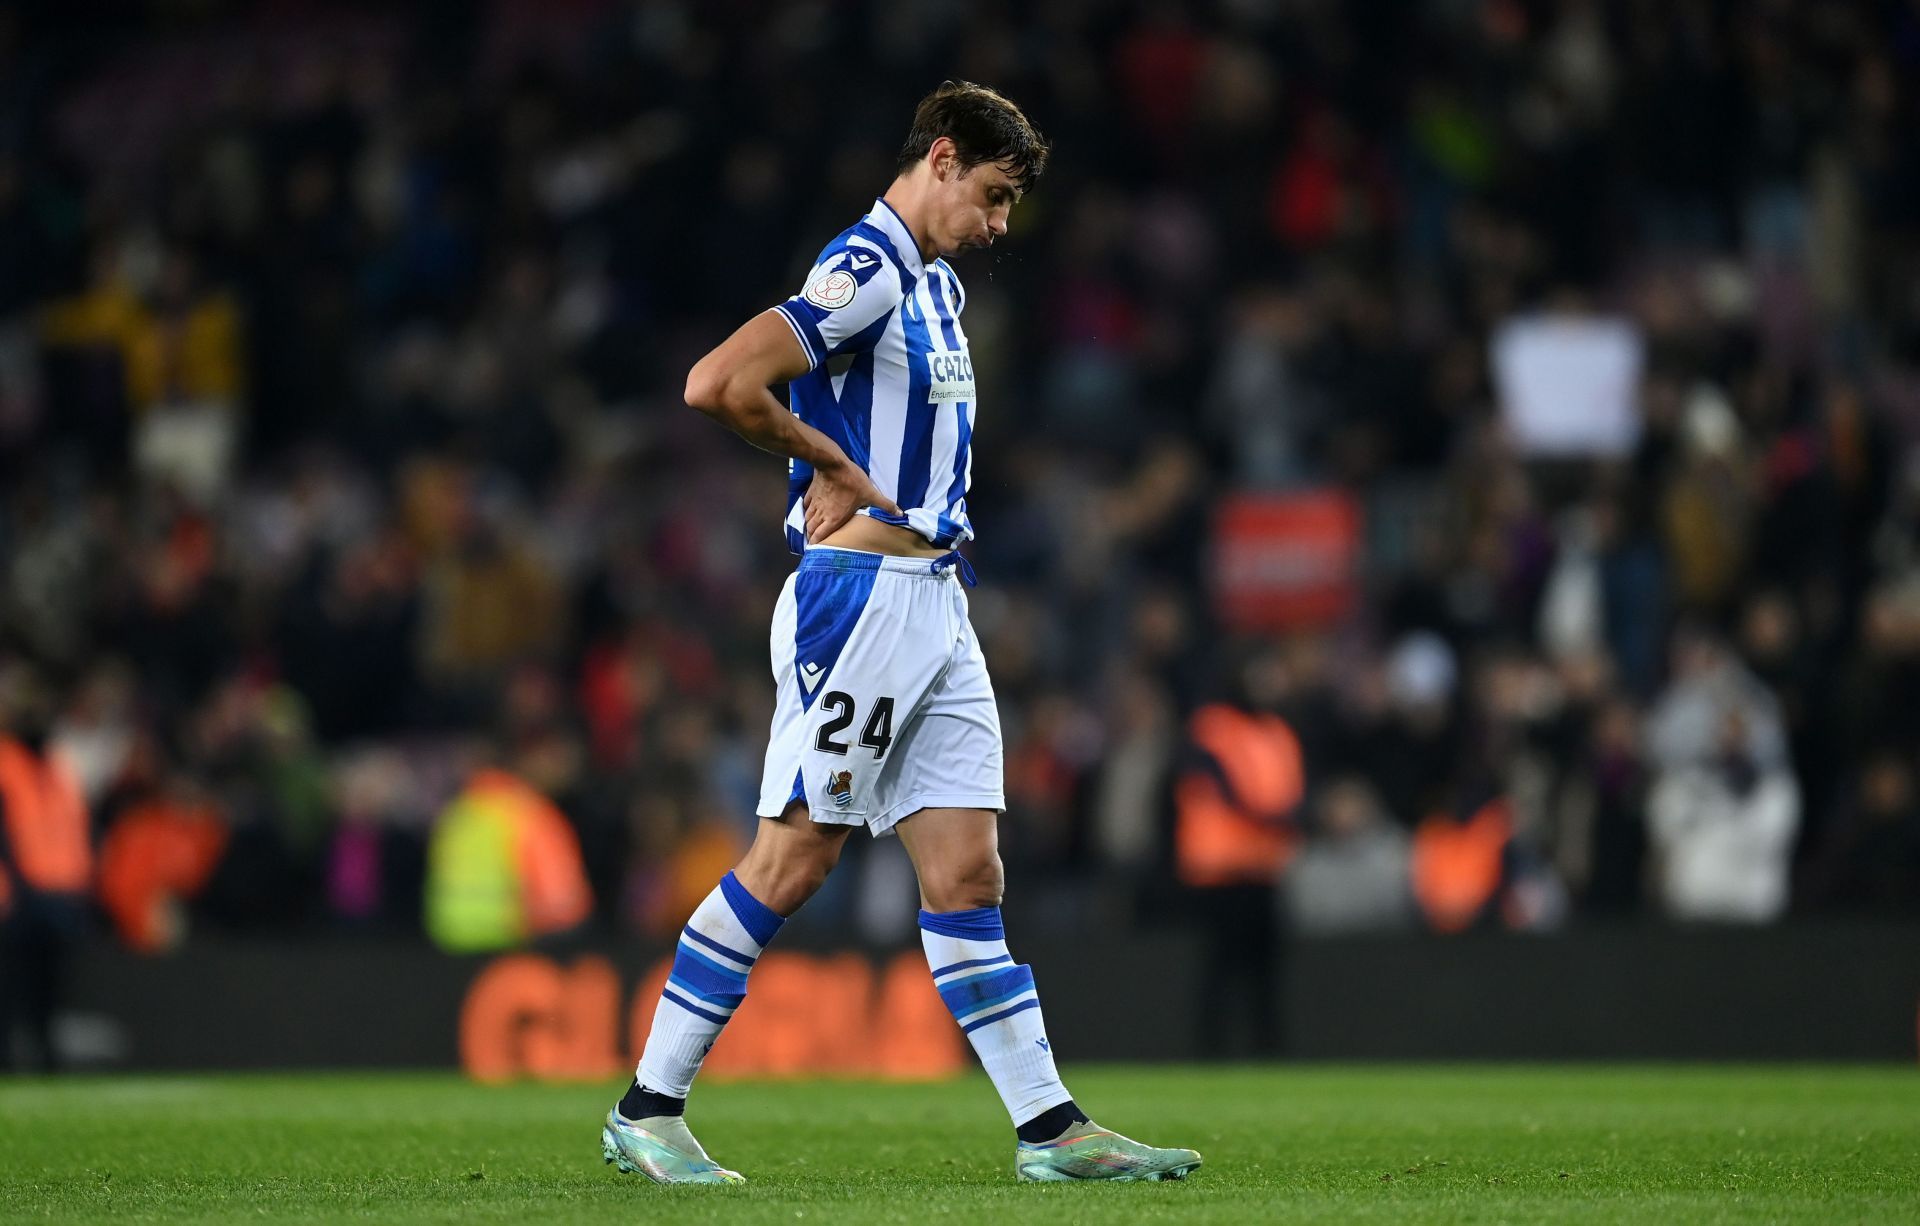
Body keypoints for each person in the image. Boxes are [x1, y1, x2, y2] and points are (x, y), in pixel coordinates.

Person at [599, 81, 1201, 1186]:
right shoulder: (866, 269)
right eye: (993, 194)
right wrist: (827, 462)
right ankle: (649, 1106)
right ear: (940, 158)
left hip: (940, 603)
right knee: (794, 859)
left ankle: (1051, 1129)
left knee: (968, 871)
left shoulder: (937, 290)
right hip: (861, 601)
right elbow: (715, 383)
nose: (1001, 223)